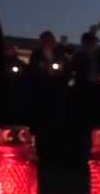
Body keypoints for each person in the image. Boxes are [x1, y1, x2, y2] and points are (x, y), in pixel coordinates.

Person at [25, 31, 69, 162]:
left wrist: (58, 75)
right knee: (42, 126)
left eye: (51, 40)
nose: (50, 43)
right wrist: (45, 73)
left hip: (57, 96)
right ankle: (42, 154)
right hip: (42, 97)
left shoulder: (60, 56)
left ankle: (55, 155)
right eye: (47, 40)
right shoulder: (36, 56)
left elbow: (67, 71)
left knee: (56, 125)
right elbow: (32, 73)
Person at [70, 31, 100, 156]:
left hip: (99, 96)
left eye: (94, 43)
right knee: (84, 128)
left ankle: (98, 152)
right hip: (83, 97)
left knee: (98, 126)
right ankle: (83, 155)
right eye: (90, 43)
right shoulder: (78, 58)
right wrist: (87, 77)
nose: (92, 45)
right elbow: (75, 74)